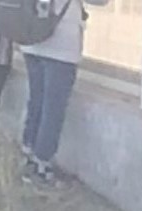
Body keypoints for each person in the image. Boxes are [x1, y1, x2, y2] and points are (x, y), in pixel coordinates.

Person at [17, 0, 85, 181]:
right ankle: (42, 165)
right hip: (61, 44)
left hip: (31, 37)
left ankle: (28, 153)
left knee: (36, 101)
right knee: (53, 108)